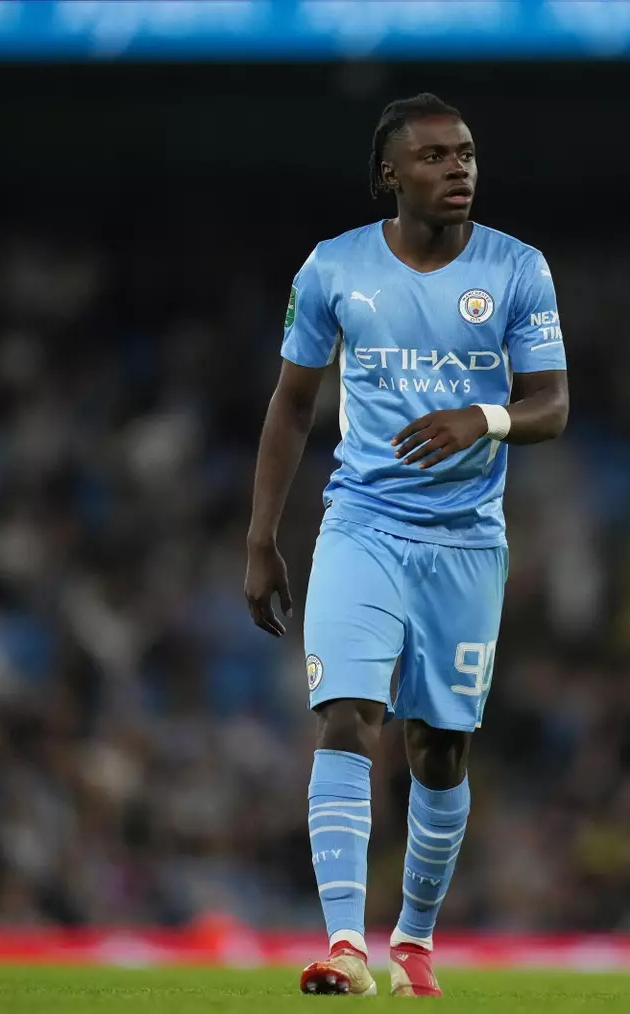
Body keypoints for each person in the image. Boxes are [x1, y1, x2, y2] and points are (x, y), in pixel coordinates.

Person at [243, 93, 569, 997]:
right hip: (362, 526)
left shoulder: (517, 271)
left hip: (465, 543)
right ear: (391, 174)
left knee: (439, 748)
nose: (458, 168)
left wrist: (484, 416)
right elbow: (292, 403)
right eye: (434, 157)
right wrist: (262, 538)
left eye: (466, 153)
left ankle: (413, 939)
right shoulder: (332, 269)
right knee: (347, 715)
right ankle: (346, 946)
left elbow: (554, 404)